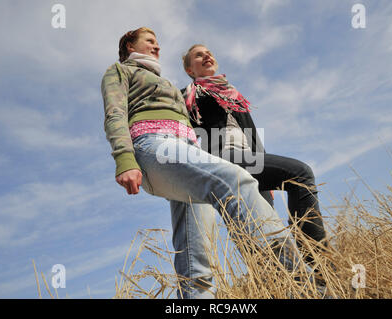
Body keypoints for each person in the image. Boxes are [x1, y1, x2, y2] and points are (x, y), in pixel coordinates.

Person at [101, 28, 313, 299]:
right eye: (150, 41)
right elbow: (114, 113)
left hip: (187, 149)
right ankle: (302, 287)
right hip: (155, 144)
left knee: (196, 256)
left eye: (157, 42)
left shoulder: (167, 84)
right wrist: (124, 159)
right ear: (130, 45)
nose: (157, 46)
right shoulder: (120, 72)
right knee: (236, 180)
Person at [181, 44, 328, 271]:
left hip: (250, 160)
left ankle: (284, 285)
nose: (206, 55)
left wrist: (265, 175)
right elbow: (178, 127)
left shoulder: (232, 93)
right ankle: (321, 264)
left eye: (208, 52)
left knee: (262, 228)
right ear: (190, 70)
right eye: (198, 55)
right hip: (222, 158)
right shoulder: (189, 96)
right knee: (300, 174)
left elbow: (252, 138)